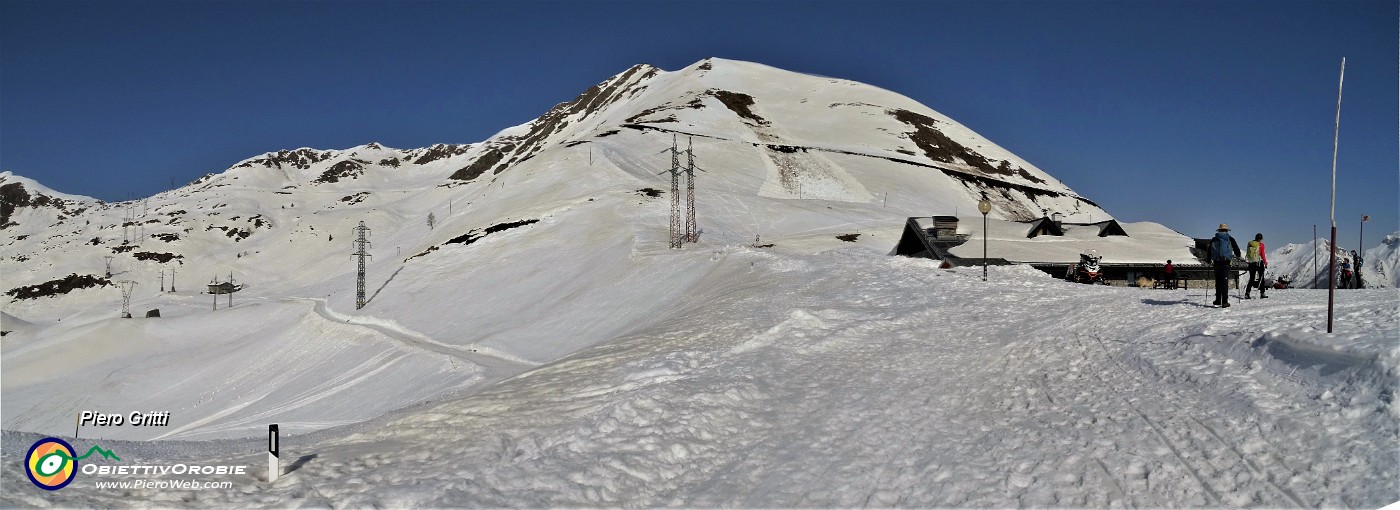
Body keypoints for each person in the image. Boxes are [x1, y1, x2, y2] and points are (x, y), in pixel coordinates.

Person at [1210, 224, 1241, 307]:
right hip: (1226, 263)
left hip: (1216, 263)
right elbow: (1237, 251)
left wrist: (1209, 259)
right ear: (1227, 230)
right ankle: (1224, 301)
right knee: (1224, 281)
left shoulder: (1214, 239)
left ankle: (1217, 300)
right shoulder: (1230, 239)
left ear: (1219, 230)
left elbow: (1209, 250)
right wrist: (1238, 255)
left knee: (1218, 281)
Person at [1244, 233, 1268, 299]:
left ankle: (1247, 292)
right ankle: (1262, 293)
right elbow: (1262, 254)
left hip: (1251, 263)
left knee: (1252, 278)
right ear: (1261, 239)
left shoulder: (1250, 244)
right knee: (1261, 278)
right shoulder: (1261, 245)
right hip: (1259, 262)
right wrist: (1265, 262)